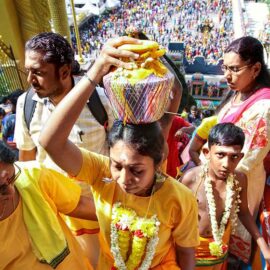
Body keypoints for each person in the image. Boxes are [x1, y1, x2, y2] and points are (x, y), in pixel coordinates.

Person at [40, 36, 200, 269]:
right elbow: (50, 142)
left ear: (159, 163)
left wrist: (151, 54)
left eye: (136, 170)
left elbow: (186, 255)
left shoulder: (180, 199)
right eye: (117, 166)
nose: (124, 180)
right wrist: (96, 72)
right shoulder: (101, 174)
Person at [14, 32, 115, 266]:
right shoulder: (26, 103)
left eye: (38, 72)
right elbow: (27, 164)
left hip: (96, 215)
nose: (30, 79)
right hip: (55, 218)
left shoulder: (101, 100)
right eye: (28, 71)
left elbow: (119, 155)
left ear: (65, 72)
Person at [181, 123, 270, 269]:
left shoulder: (239, 179)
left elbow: (243, 213)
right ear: (206, 152)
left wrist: (264, 247)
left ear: (241, 157)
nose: (226, 164)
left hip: (219, 250)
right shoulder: (191, 179)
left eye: (234, 156)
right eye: (220, 155)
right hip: (190, 252)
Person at [215, 36, 270, 268]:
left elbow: (247, 159)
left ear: (256, 68)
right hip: (218, 177)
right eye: (225, 67)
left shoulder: (264, 106)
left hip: (241, 183)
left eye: (235, 69)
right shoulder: (237, 94)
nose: (227, 75)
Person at [0, 141, 97, 269]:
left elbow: (78, 204)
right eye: (1, 189)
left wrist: (123, 217)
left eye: (12, 178)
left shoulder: (33, 175)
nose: (12, 191)